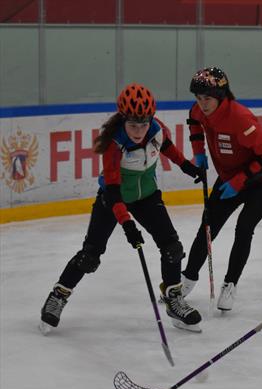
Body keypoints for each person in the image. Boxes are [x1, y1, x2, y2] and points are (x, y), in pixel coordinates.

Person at [40, 83, 206, 334]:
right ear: (123, 120)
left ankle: (174, 300)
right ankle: (58, 295)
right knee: (90, 256)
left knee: (172, 247)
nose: (139, 131)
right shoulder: (113, 143)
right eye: (133, 125)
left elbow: (168, 147)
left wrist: (187, 167)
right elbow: (114, 190)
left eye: (143, 124)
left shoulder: (156, 129)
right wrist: (127, 224)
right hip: (112, 199)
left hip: (147, 197)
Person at [182, 67, 262, 312]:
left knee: (244, 227)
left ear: (221, 95)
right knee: (208, 227)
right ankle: (186, 280)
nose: (202, 104)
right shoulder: (199, 110)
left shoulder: (240, 118)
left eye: (207, 98)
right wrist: (198, 153)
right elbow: (194, 120)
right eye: (198, 98)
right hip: (229, 178)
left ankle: (230, 284)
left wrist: (240, 181)